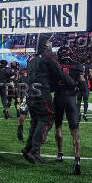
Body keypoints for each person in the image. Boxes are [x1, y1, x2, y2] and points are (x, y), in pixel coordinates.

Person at [22, 34, 77, 164]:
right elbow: (59, 72)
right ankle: (34, 150)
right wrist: (72, 84)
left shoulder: (31, 58)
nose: (51, 44)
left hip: (30, 91)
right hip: (41, 91)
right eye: (50, 42)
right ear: (46, 44)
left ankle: (28, 148)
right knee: (47, 118)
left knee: (35, 121)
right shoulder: (48, 54)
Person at [54, 45, 86, 174]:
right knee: (75, 129)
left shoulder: (55, 65)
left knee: (58, 126)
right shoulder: (77, 65)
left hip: (59, 97)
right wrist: (80, 90)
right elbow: (82, 82)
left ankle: (60, 154)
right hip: (71, 98)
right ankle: (77, 159)